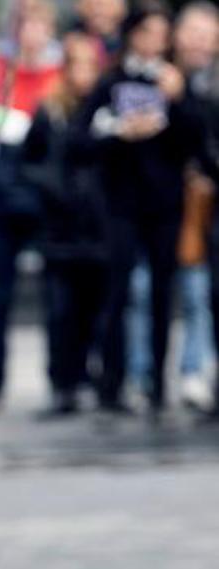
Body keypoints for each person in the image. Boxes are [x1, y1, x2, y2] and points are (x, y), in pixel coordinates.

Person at [77, 0, 219, 422]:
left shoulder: (175, 82)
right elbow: (80, 142)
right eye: (147, 34)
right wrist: (118, 130)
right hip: (121, 202)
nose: (154, 42)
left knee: (162, 294)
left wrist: (178, 100)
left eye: (161, 35)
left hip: (165, 203)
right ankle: (113, 382)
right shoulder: (112, 81)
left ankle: (158, 383)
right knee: (119, 290)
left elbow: (197, 142)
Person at [128, 1, 219, 413]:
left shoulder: (206, 83)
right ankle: (144, 374)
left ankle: (194, 372)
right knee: (145, 291)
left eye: (209, 34)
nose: (200, 42)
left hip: (200, 206)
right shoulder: (153, 75)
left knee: (198, 293)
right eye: (193, 32)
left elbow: (200, 138)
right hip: (156, 202)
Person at [0, 0, 63, 414]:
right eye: (26, 25)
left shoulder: (59, 78)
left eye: (39, 26)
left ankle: (59, 379)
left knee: (55, 294)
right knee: (0, 296)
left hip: (46, 200)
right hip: (3, 199)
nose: (33, 34)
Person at [21, 34, 107, 418]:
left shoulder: (104, 112)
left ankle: (88, 377)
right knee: (60, 312)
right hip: (59, 231)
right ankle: (61, 384)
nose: (83, 74)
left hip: (97, 228)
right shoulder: (50, 111)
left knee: (93, 309)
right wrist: (52, 189)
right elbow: (29, 161)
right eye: (77, 65)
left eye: (90, 66)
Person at [69, 0, 127, 67]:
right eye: (90, 5)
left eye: (103, 5)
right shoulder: (72, 42)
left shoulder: (130, 38)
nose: (97, 11)